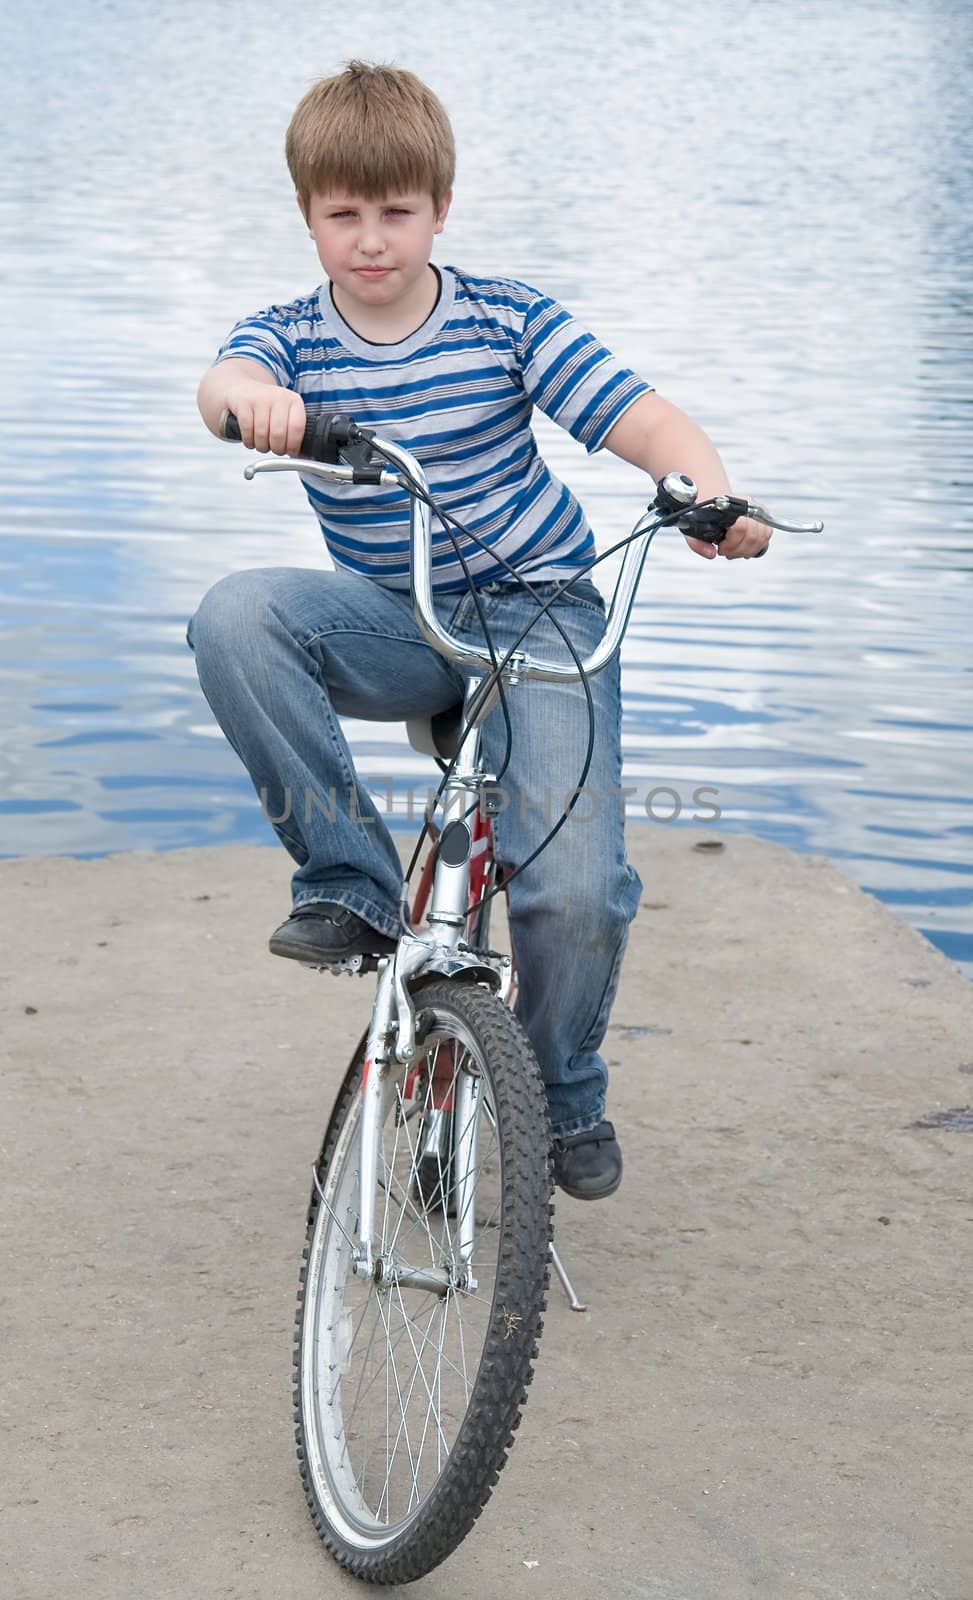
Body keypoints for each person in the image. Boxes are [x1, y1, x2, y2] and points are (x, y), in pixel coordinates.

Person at [188, 61, 770, 1202]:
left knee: (572, 886)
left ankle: (558, 1090)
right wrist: (248, 404)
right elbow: (223, 381)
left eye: (395, 212)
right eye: (342, 214)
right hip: (397, 618)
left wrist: (704, 488)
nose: (370, 240)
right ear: (307, 215)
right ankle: (349, 881)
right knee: (233, 615)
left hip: (540, 608)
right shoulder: (289, 337)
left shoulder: (507, 319)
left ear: (439, 209)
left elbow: (641, 417)